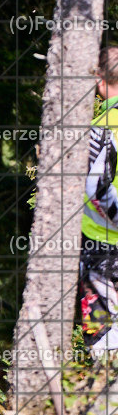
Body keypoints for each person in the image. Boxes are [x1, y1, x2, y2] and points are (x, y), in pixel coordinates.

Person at [80, 45, 118, 355]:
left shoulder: (103, 127)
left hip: (102, 246)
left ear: (99, 81)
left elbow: (95, 188)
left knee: (105, 339)